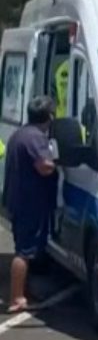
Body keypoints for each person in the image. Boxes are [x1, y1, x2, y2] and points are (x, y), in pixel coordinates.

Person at [4, 95, 59, 314]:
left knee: (25, 247)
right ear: (49, 117)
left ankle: (23, 290)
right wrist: (56, 163)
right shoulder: (36, 138)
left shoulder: (20, 134)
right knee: (24, 252)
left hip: (17, 200)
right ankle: (17, 298)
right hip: (29, 203)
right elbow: (44, 166)